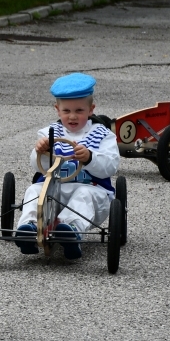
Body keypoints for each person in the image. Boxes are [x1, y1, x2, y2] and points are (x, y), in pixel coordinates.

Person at [14, 73, 120, 259]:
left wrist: (89, 158)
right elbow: (38, 167)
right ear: (57, 110)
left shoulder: (103, 135)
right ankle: (30, 227)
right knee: (34, 190)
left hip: (91, 189)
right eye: (66, 111)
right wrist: (40, 151)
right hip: (55, 189)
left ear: (91, 109)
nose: (72, 116)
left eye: (79, 111)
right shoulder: (49, 133)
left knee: (83, 195)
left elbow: (110, 166)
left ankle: (72, 229)